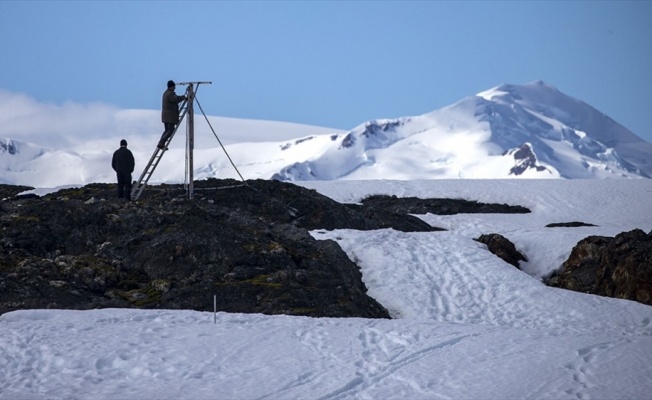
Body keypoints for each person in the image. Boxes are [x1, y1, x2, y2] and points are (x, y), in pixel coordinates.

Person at [158, 80, 187, 149]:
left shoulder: (165, 93)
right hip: (170, 116)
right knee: (170, 130)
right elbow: (175, 99)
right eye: (174, 86)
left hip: (165, 116)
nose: (175, 88)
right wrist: (183, 97)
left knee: (166, 130)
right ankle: (162, 142)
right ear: (172, 86)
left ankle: (161, 142)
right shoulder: (170, 94)